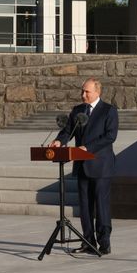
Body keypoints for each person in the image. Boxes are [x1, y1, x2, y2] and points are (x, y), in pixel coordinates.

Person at [50, 78, 118, 255]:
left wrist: (87, 148)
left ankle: (104, 243)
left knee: (101, 206)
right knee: (85, 207)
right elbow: (68, 131)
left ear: (97, 92)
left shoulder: (109, 111)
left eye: (87, 92)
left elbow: (110, 136)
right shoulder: (78, 110)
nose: (83, 95)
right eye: (82, 91)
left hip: (101, 166)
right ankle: (88, 241)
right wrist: (59, 141)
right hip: (82, 166)